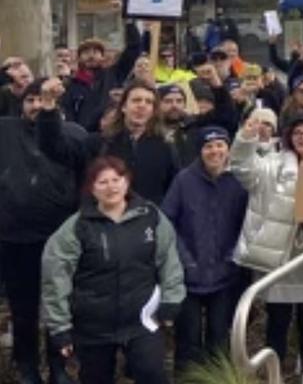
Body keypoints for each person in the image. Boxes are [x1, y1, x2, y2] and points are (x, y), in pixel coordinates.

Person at [41, 156, 186, 384]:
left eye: (116, 180)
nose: (111, 187)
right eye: (103, 182)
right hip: (93, 325)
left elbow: (169, 261)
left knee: (152, 374)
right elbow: (55, 277)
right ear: (91, 188)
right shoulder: (77, 227)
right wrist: (60, 326)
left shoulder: (151, 217)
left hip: (142, 319)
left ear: (127, 182)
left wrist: (172, 299)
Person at [231, 112, 303, 384]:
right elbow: (241, 168)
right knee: (278, 320)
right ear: (290, 137)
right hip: (280, 254)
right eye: (297, 132)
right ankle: (275, 373)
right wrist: (246, 138)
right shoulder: (271, 165)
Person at [0, 77, 85, 384]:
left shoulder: (73, 134)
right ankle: (27, 366)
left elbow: (86, 178)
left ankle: (59, 365)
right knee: (23, 308)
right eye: (30, 100)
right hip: (14, 236)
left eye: (42, 99)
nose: (36, 105)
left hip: (59, 236)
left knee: (59, 305)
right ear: (20, 103)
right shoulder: (5, 130)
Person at [160, 126, 249, 374]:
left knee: (219, 335)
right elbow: (167, 221)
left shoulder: (239, 180)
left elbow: (247, 224)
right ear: (200, 151)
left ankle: (217, 377)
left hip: (225, 272)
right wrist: (184, 259)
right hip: (188, 274)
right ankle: (188, 378)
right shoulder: (184, 179)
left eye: (220, 145)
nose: (215, 151)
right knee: (188, 338)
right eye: (209, 146)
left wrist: (234, 256)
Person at [94, 82, 179, 204]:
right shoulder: (103, 143)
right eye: (136, 100)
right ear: (123, 107)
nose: (142, 106)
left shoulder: (165, 146)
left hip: (152, 216)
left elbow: (173, 188)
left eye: (148, 102)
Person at [61, 26, 142, 132]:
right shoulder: (70, 84)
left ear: (103, 56)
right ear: (79, 58)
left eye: (95, 52)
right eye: (86, 52)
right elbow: (68, 115)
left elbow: (134, 49)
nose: (91, 56)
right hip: (83, 137)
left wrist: (129, 23)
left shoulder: (114, 74)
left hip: (112, 134)